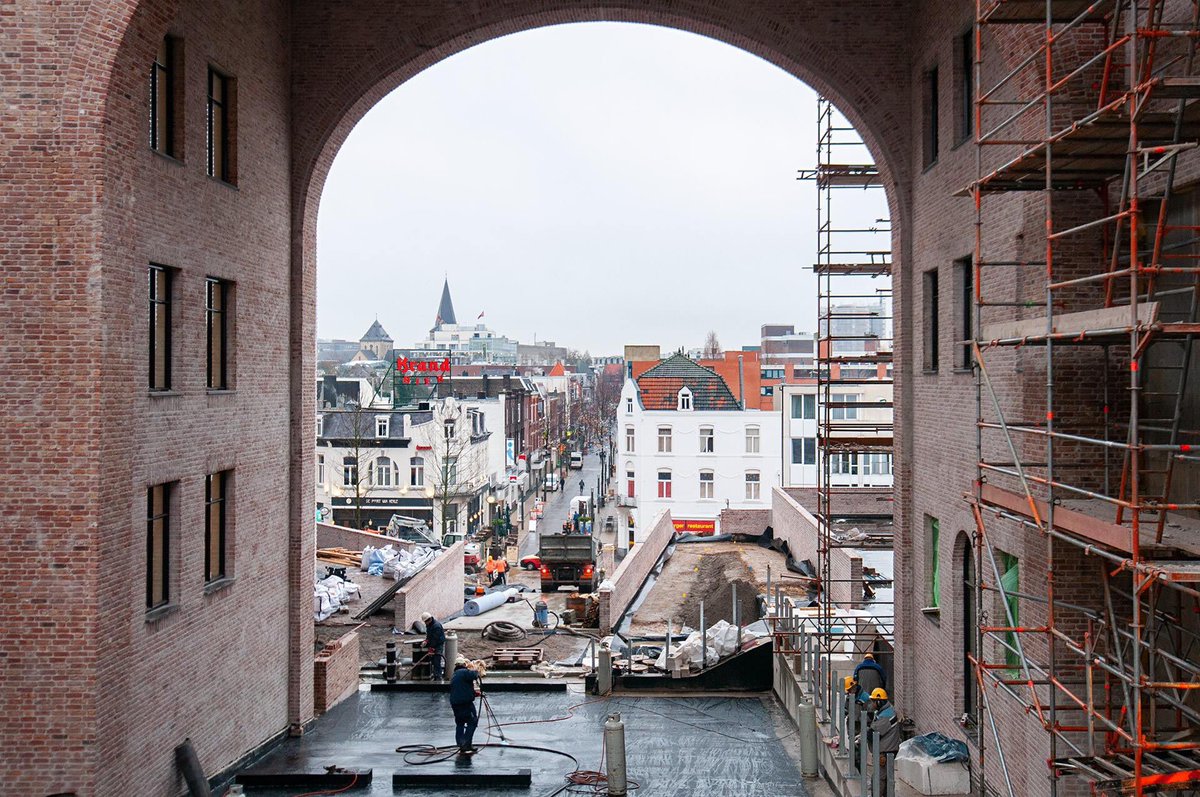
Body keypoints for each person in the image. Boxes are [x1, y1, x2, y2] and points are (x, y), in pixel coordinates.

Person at [867, 687, 901, 794]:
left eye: (873, 701)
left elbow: (872, 733)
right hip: (885, 749)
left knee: (879, 778)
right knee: (883, 777)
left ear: (879, 701)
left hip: (886, 751)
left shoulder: (886, 716)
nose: (872, 704)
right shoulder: (885, 711)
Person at [449, 657, 482, 755]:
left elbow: (462, 688)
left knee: (460, 723)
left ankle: (460, 744)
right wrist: (476, 669)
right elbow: (474, 674)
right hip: (465, 703)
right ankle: (466, 744)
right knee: (472, 722)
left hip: (455, 703)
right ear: (464, 665)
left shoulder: (455, 675)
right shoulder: (463, 672)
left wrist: (474, 693)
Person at [421, 612, 445, 680]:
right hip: (433, 644)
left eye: (425, 621)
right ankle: (434, 675)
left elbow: (435, 639)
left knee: (437, 661)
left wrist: (432, 647)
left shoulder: (436, 626)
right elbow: (429, 635)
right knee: (433, 661)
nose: (425, 623)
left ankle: (438, 677)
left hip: (438, 645)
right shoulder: (429, 625)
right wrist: (426, 640)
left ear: (429, 619)